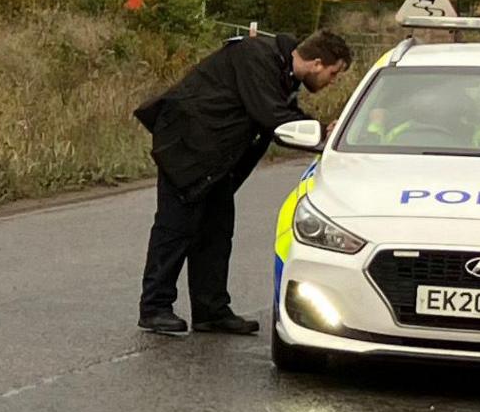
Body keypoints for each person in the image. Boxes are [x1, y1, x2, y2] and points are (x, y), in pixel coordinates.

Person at [133, 24, 352, 336]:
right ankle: (155, 307)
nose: (332, 82)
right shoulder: (256, 58)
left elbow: (281, 112)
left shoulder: (280, 68)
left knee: (216, 231)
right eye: (333, 74)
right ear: (317, 63)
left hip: (216, 159)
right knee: (175, 229)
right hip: (187, 148)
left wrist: (316, 130)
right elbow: (272, 116)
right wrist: (319, 133)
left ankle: (211, 310)